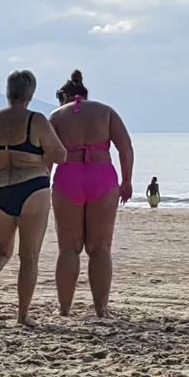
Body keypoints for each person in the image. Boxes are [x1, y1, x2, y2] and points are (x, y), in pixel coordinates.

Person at [0, 70, 67, 326]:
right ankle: (23, 315)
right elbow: (60, 154)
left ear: (7, 91)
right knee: (29, 256)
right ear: (31, 94)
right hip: (31, 186)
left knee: (0, 250)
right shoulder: (35, 120)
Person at [50, 70, 134, 318]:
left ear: (64, 96)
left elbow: (47, 157)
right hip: (102, 177)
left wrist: (43, 186)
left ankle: (64, 309)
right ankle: (101, 309)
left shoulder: (56, 116)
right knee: (100, 248)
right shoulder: (106, 111)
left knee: (68, 248)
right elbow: (125, 148)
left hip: (68, 177)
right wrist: (127, 180)